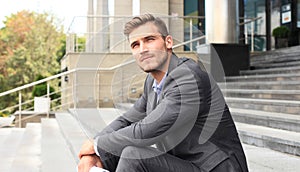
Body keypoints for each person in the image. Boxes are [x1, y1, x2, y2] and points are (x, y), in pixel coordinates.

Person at [78, 14, 248, 172]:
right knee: (106, 157)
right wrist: (93, 152)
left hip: (216, 168)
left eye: (149, 40)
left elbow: (147, 131)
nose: (142, 49)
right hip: (186, 163)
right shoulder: (152, 82)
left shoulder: (188, 77)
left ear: (168, 42)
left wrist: (97, 145)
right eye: (135, 45)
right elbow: (127, 120)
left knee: (133, 156)